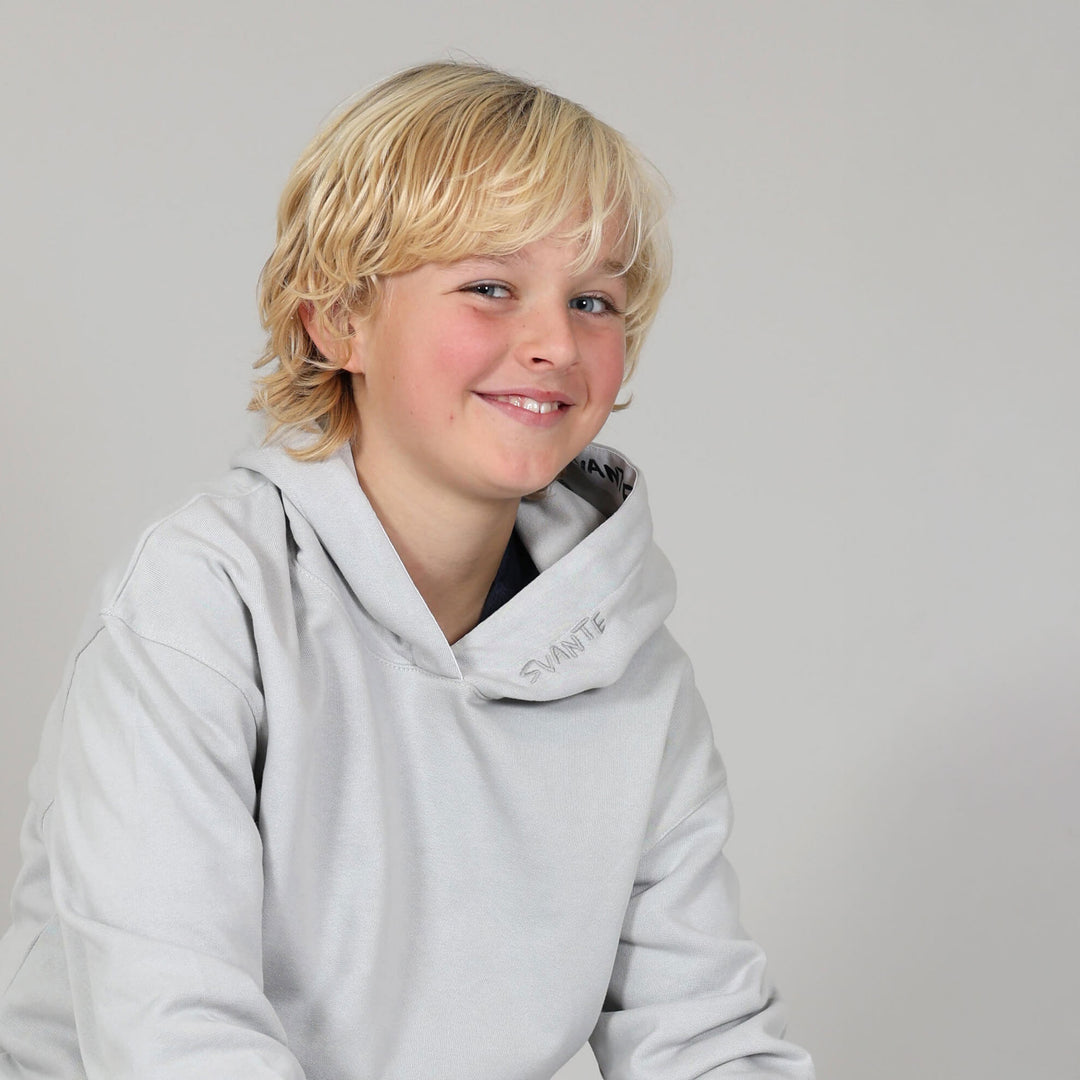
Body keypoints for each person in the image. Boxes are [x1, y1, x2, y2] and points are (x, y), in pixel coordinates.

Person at [0, 61, 814, 1078]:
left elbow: (699, 1038)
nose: (554, 342)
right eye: (489, 286)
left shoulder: (634, 671)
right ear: (337, 321)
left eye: (595, 301)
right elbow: (174, 1037)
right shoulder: (201, 603)